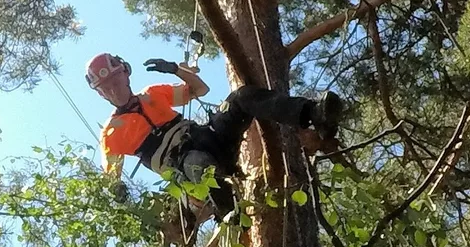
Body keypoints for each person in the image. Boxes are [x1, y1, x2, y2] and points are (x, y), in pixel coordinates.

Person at [86, 51, 342, 227]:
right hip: (187, 163)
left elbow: (200, 90)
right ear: (99, 94)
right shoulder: (112, 132)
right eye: (105, 87)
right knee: (199, 165)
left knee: (241, 97)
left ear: (125, 73)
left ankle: (312, 112)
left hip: (210, 135)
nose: (112, 89)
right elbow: (110, 177)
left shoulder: (152, 94)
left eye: (115, 79)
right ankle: (232, 216)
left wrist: (176, 70)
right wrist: (117, 191)